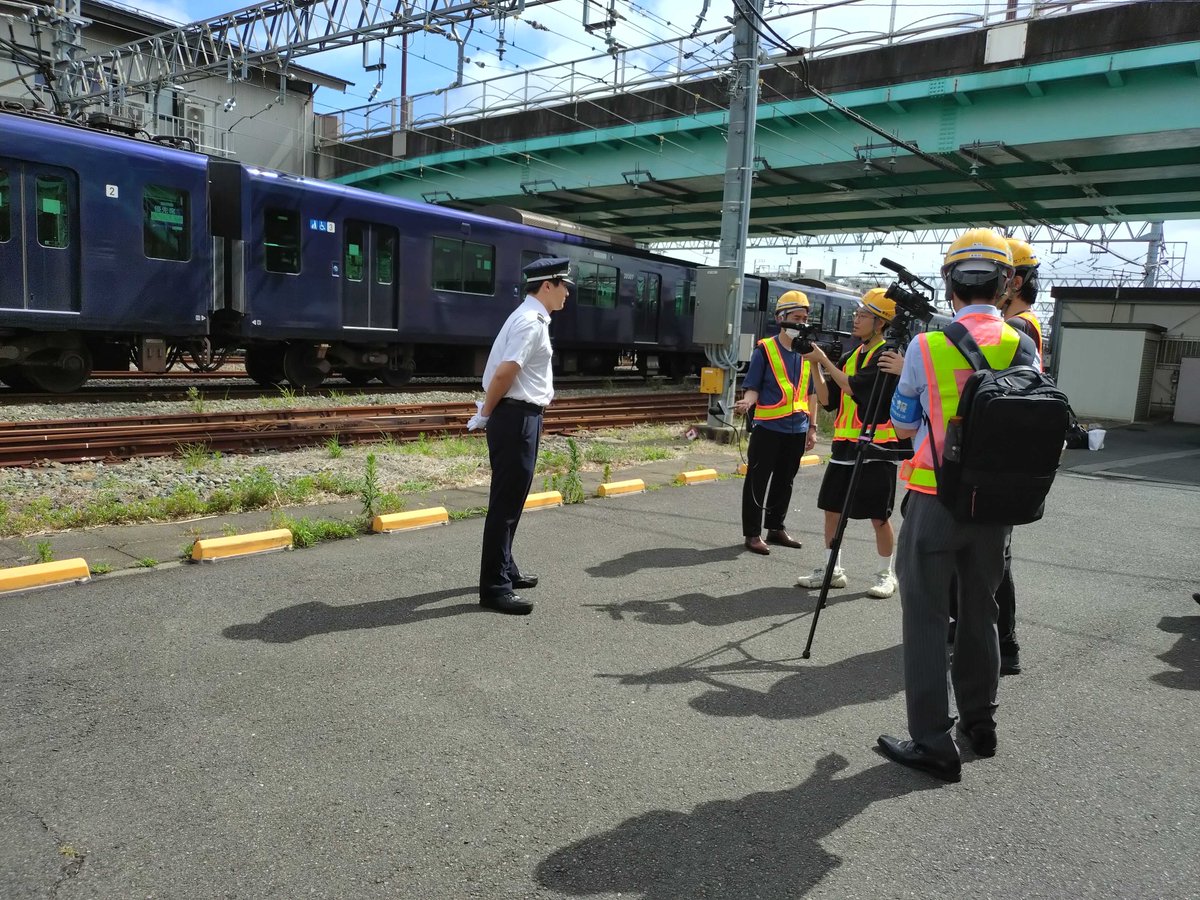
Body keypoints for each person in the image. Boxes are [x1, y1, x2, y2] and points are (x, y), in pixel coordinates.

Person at [873, 228, 1037, 782]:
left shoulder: (927, 345)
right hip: (995, 505)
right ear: (1006, 282)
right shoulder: (1025, 344)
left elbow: (900, 421)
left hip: (933, 499)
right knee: (981, 612)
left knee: (924, 617)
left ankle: (931, 742)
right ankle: (980, 723)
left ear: (949, 285)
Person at [468, 257, 571, 615]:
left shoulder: (528, 316)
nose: (567, 293)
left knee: (511, 501)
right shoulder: (531, 322)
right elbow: (504, 374)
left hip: (519, 417)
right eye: (564, 285)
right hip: (515, 419)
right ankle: (494, 588)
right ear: (548, 285)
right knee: (506, 506)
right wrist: (484, 414)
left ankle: (505, 569)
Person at [796, 289, 911, 598]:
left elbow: (851, 386)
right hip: (845, 446)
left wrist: (823, 359)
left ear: (882, 322)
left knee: (878, 515)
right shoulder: (852, 355)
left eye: (863, 315)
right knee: (832, 509)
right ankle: (833, 569)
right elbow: (828, 399)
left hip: (877, 447)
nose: (856, 319)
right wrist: (815, 366)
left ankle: (886, 574)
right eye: (857, 314)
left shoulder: (886, 355)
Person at [733, 291, 818, 555]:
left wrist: (812, 428)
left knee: (786, 480)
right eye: (796, 317)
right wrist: (747, 401)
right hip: (768, 429)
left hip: (798, 429)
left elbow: (811, 393)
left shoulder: (807, 352)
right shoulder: (765, 350)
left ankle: (776, 527)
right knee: (757, 481)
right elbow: (753, 387)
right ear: (781, 318)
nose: (802, 323)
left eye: (805, 318)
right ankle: (753, 534)